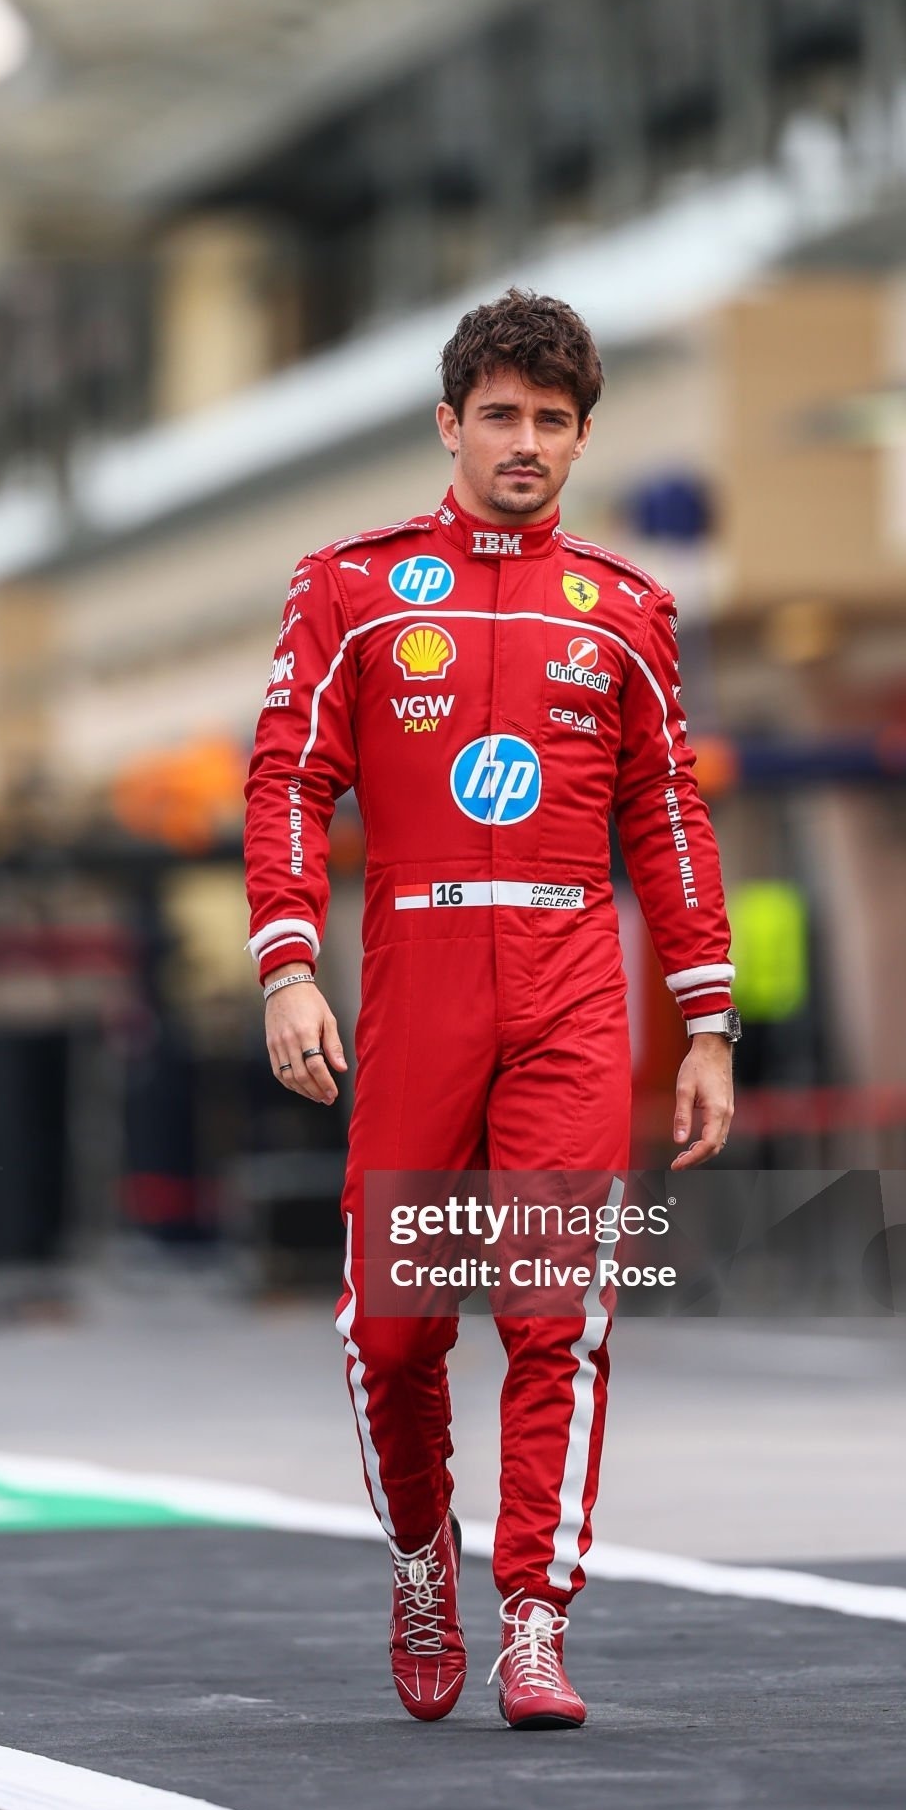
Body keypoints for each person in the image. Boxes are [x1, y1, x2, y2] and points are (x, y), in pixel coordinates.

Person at [244, 289, 738, 1729]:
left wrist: (708, 1023)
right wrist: (287, 966)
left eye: (552, 421)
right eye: (501, 415)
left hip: (574, 984)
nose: (525, 442)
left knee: (554, 1309)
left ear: (581, 440)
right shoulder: (349, 589)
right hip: (417, 977)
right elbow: (288, 778)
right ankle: (420, 1557)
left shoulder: (627, 612)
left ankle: (534, 1617)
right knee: (394, 1333)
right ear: (449, 425)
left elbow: (668, 817)